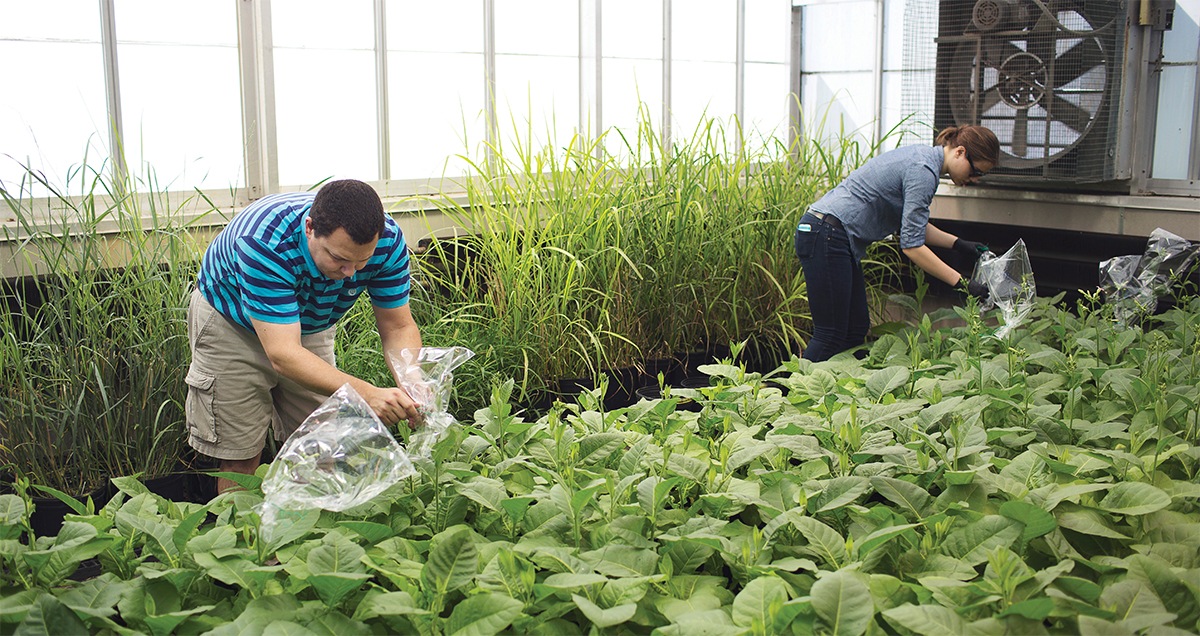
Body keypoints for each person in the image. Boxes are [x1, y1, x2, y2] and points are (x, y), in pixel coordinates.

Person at [185, 179, 423, 494]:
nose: (351, 272)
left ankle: (311, 533)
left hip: (311, 323)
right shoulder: (264, 241)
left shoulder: (387, 242)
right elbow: (283, 353)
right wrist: (367, 393)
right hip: (234, 325)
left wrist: (414, 381)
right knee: (241, 454)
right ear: (309, 228)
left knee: (325, 441)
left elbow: (397, 326)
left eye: (361, 261)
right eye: (339, 259)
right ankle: (238, 534)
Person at [795, 125, 998, 362]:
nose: (973, 179)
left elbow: (910, 226)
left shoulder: (923, 160)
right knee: (830, 334)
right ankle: (784, 392)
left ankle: (837, 391)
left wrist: (960, 244)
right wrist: (963, 283)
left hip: (832, 234)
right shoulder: (924, 171)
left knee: (855, 329)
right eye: (976, 172)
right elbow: (912, 246)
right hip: (827, 234)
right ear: (960, 152)